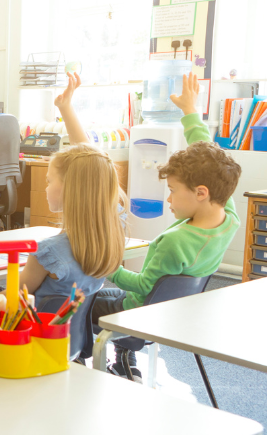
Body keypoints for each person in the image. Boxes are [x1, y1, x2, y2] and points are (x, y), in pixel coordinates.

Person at [91, 73, 242, 380]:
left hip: (136, 313)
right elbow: (209, 154)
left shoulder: (176, 241)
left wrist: (109, 266)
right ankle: (125, 355)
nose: (169, 198)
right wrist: (190, 112)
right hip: (169, 315)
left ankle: (85, 359)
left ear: (201, 193)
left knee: (80, 303)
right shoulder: (229, 215)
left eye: (173, 190)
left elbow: (142, 287)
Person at [21, 72, 127, 303]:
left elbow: (12, 296)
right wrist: (65, 108)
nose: (45, 187)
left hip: (38, 335)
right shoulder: (114, 224)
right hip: (74, 337)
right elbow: (94, 165)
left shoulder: (48, 253)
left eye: (49, 181)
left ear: (72, 189)